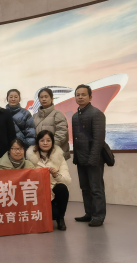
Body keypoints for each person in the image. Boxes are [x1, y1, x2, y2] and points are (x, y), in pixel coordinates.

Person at [72, 84, 107, 227]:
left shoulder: (96, 113)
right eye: (78, 95)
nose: (80, 97)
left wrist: (93, 159)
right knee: (85, 187)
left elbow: (99, 140)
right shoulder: (75, 116)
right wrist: (77, 157)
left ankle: (98, 216)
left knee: (96, 188)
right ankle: (89, 213)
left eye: (83, 94)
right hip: (80, 158)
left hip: (94, 159)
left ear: (90, 97)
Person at [27, 130, 71, 231]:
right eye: (42, 140)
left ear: (52, 142)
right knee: (52, 214)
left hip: (53, 191)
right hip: (37, 192)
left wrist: (56, 175)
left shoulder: (59, 156)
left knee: (62, 188)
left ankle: (61, 218)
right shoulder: (29, 157)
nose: (45, 143)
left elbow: (67, 180)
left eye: (48, 140)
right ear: (37, 142)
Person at [33, 88, 70, 160]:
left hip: (55, 152)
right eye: (41, 97)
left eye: (46, 97)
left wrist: (50, 147)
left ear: (52, 98)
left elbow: (62, 133)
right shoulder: (35, 116)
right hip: (40, 153)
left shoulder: (58, 114)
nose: (43, 99)